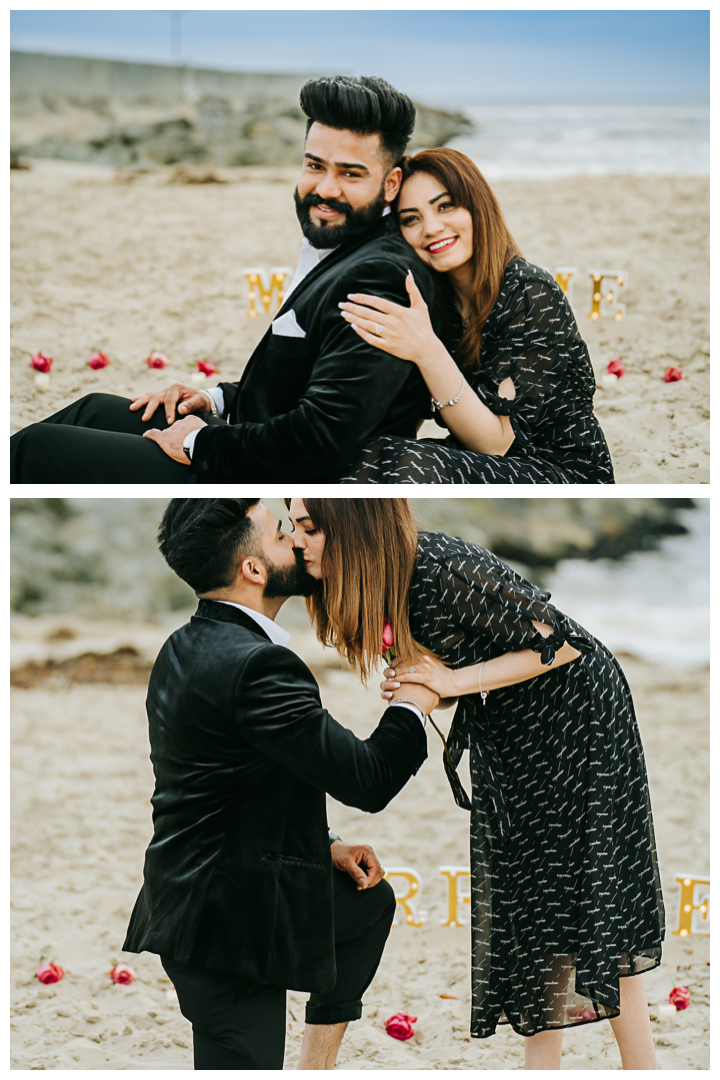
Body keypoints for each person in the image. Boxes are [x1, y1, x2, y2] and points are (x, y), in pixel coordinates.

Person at [286, 498, 664, 1070]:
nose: (297, 541)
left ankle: (641, 1065)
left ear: (356, 530)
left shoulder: (437, 566)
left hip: (577, 718)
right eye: (292, 526)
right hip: (513, 725)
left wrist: (449, 679)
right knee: (535, 893)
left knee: (587, 890)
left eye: (311, 528)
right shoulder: (387, 583)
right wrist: (433, 685)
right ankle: (546, 1062)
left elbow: (560, 643)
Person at [123, 498, 438, 1070]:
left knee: (366, 906)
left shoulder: (185, 644)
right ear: (253, 570)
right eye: (281, 531)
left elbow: (221, 784)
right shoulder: (258, 666)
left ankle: (317, 1063)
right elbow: (369, 779)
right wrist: (417, 699)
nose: (297, 539)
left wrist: (325, 848)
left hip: (196, 893)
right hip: (227, 927)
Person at [10, 75, 442, 484]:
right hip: (253, 439)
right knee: (91, 409)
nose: (325, 189)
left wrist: (198, 440)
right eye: (315, 165)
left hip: (271, 473)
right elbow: (306, 381)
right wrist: (216, 399)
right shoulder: (348, 246)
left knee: (36, 448)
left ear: (391, 184)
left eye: (350, 173)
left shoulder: (379, 276)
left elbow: (322, 438)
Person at [337, 148, 615, 483]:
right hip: (481, 460)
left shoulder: (529, 293)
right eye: (411, 218)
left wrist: (425, 349)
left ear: (477, 205)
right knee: (364, 453)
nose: (431, 227)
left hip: (559, 470)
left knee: (404, 461)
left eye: (445, 206)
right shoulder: (436, 301)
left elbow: (495, 442)